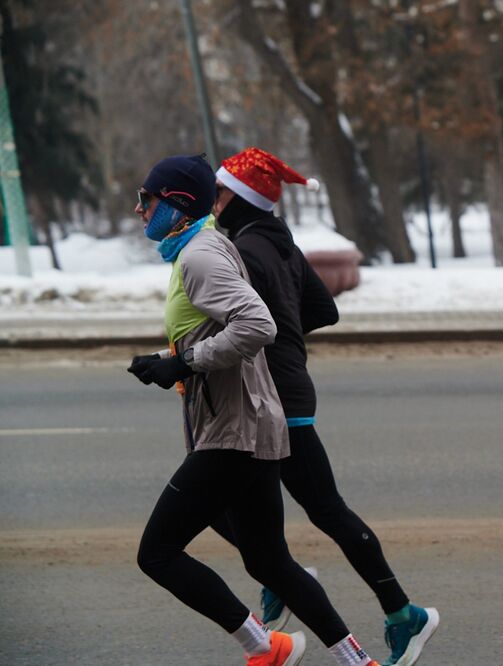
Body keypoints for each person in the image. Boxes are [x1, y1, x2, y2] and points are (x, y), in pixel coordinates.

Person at [128, 154, 381, 666]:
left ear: (175, 203)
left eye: (145, 199)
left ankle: (264, 645)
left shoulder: (200, 255)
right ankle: (359, 661)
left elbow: (256, 325)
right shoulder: (199, 248)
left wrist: (184, 364)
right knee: (271, 561)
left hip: (234, 429)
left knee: (156, 553)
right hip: (252, 422)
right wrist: (168, 360)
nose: (138, 210)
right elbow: (217, 331)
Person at [209, 147, 438, 666]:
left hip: (268, 399)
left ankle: (389, 609)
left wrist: (264, 344)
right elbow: (323, 309)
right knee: (304, 508)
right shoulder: (280, 244)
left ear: (240, 198)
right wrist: (286, 339)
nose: (214, 202)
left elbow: (253, 322)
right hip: (289, 392)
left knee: (212, 502)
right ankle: (380, 605)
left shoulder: (244, 250)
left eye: (220, 192)